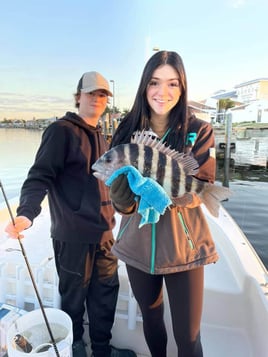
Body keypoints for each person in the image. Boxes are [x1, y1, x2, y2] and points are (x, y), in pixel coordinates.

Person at [5, 71, 137, 357]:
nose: (98, 99)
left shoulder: (103, 137)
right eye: (91, 94)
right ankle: (74, 347)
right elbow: (40, 176)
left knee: (105, 297)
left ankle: (102, 350)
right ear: (78, 97)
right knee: (74, 300)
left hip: (105, 234)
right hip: (73, 236)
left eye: (103, 95)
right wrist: (26, 212)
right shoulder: (60, 131)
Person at [108, 51, 218, 357]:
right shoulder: (125, 130)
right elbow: (122, 200)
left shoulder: (199, 129)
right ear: (144, 86)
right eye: (155, 82)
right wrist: (122, 200)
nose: (163, 92)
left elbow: (201, 187)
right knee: (152, 321)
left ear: (182, 89)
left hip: (184, 247)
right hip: (137, 246)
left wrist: (179, 192)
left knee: (188, 337)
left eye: (173, 84)